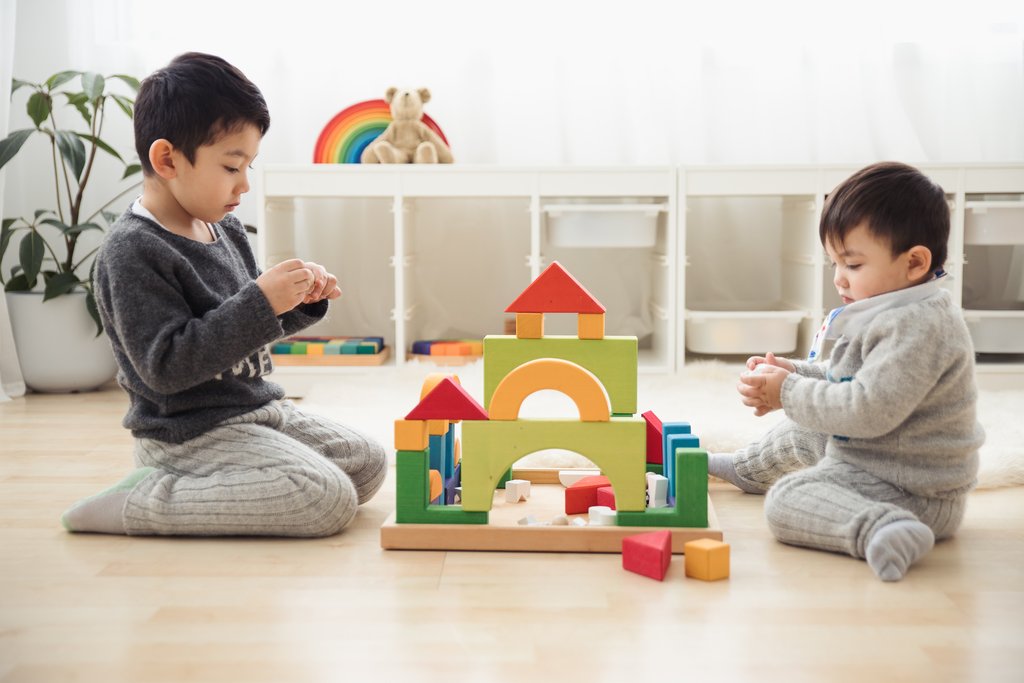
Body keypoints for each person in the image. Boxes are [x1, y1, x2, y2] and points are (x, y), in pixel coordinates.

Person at [61, 52, 386, 537]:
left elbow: (242, 332)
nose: (245, 184)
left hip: (256, 411)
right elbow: (167, 368)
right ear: (167, 159)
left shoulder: (224, 229)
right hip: (189, 433)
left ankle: (244, 480)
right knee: (324, 498)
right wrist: (261, 301)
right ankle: (145, 499)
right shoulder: (132, 251)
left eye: (249, 165)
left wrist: (297, 299)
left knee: (367, 462)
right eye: (232, 166)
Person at [708, 161, 985, 581]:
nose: (839, 279)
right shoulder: (891, 308)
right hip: (882, 455)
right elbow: (847, 382)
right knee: (806, 428)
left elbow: (866, 409)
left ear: (914, 263)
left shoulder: (920, 326)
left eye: (852, 265)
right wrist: (793, 373)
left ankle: (882, 527)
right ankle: (748, 468)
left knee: (788, 500)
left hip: (913, 491)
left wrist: (788, 392)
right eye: (834, 263)